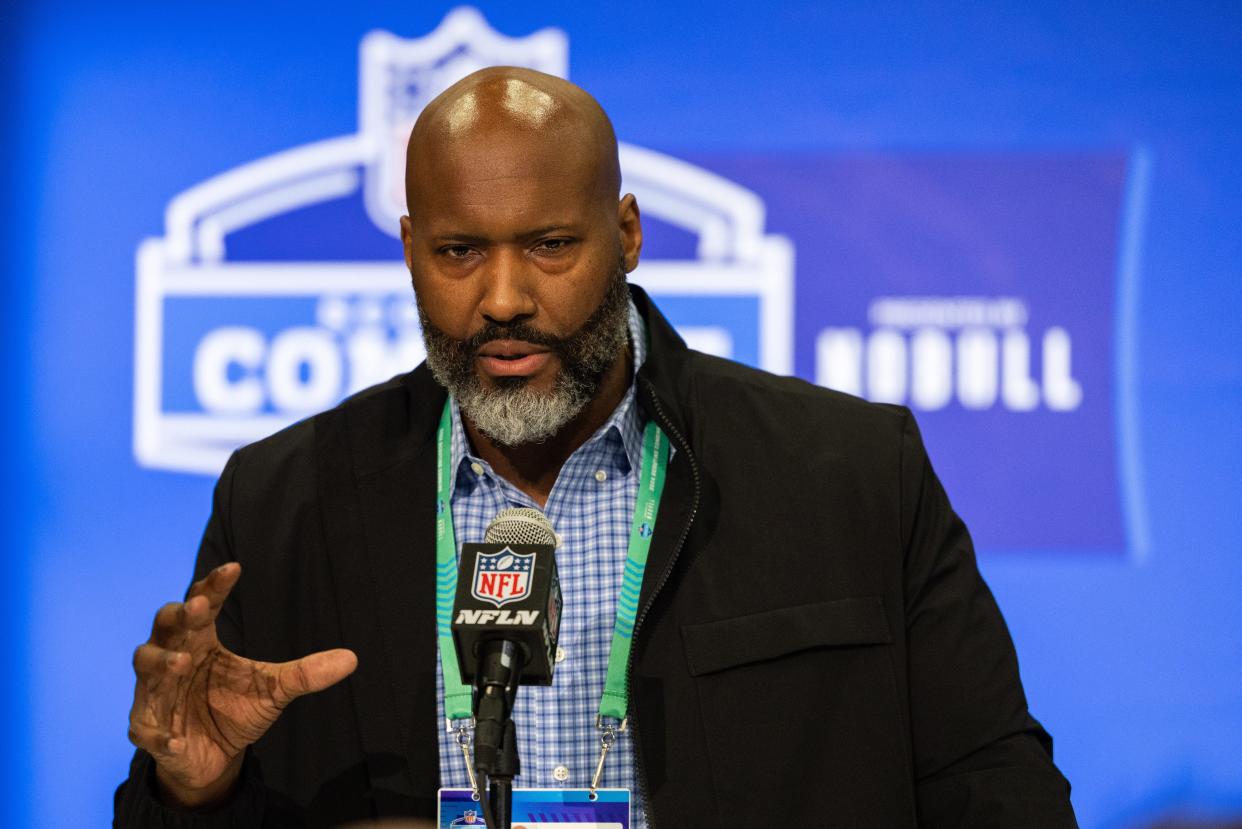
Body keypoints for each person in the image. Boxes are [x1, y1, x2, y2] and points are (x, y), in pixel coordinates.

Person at [116, 67, 1077, 827]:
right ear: (410, 248)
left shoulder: (853, 472)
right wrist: (193, 791)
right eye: (458, 252)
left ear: (625, 234)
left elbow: (994, 789)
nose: (501, 299)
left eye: (547, 245)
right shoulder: (286, 502)